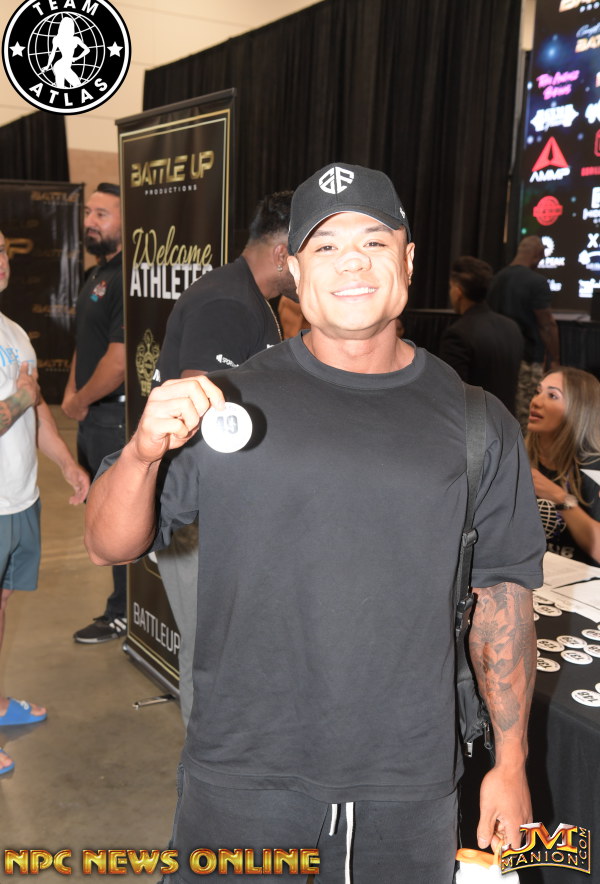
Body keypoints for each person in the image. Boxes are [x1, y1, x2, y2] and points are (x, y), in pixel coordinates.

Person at [84, 163, 545, 883]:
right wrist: (142, 455)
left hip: (409, 781)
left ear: (408, 259)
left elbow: (503, 597)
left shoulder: (478, 422)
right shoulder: (227, 402)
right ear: (294, 270)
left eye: (373, 241)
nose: (351, 262)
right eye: (325, 246)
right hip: (242, 772)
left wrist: (510, 764)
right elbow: (107, 542)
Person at [154, 191, 297, 728]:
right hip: (198, 511)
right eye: (311, 251)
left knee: (223, 647)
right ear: (282, 254)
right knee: (209, 651)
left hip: (212, 507)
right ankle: (205, 765)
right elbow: (198, 409)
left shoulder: (245, 296)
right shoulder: (230, 303)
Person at [0, 230, 89, 775]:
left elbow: (36, 417)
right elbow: (24, 400)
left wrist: (66, 464)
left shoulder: (13, 332)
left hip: (20, 500)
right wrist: (22, 395)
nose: (0, 261)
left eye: (1, 250)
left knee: (3, 603)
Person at [61, 182, 126, 644]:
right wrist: (71, 393)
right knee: (100, 517)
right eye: (89, 212)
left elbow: (118, 362)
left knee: (118, 519)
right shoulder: (94, 274)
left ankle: (123, 612)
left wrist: (81, 400)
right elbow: (85, 345)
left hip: (113, 419)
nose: (90, 222)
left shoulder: (127, 278)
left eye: (102, 214)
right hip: (91, 418)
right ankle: (122, 605)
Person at [526, 366, 600, 566]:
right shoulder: (517, 456)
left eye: (552, 396)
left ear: (579, 409)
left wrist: (560, 498)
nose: (536, 401)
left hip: (579, 581)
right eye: (538, 392)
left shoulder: (593, 468)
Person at [487, 235, 560, 430]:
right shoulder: (537, 282)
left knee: (498, 414)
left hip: (497, 359)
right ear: (537, 255)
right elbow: (547, 325)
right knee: (526, 418)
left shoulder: (495, 279)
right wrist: (554, 359)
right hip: (527, 360)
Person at [439, 256, 524, 414]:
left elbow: (453, 393)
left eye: (451, 287)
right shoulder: (512, 327)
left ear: (458, 291)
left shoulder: (458, 333)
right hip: (508, 421)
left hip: (475, 424)